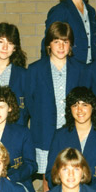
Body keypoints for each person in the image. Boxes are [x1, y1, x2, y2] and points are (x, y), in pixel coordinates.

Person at [27, 21, 87, 175]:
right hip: (45, 134)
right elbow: (30, 103)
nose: (61, 47)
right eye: (56, 42)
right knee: (48, 178)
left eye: (65, 42)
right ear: (49, 44)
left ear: (71, 45)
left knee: (72, 174)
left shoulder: (81, 69)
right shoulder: (35, 70)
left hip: (72, 133)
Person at [46, 87, 96, 192]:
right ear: (70, 109)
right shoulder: (59, 136)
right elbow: (51, 173)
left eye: (84, 105)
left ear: (93, 107)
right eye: (75, 105)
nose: (79, 110)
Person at [43, 0, 96, 65]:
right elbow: (47, 43)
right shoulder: (60, 10)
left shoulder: (91, 11)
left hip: (90, 68)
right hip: (69, 67)